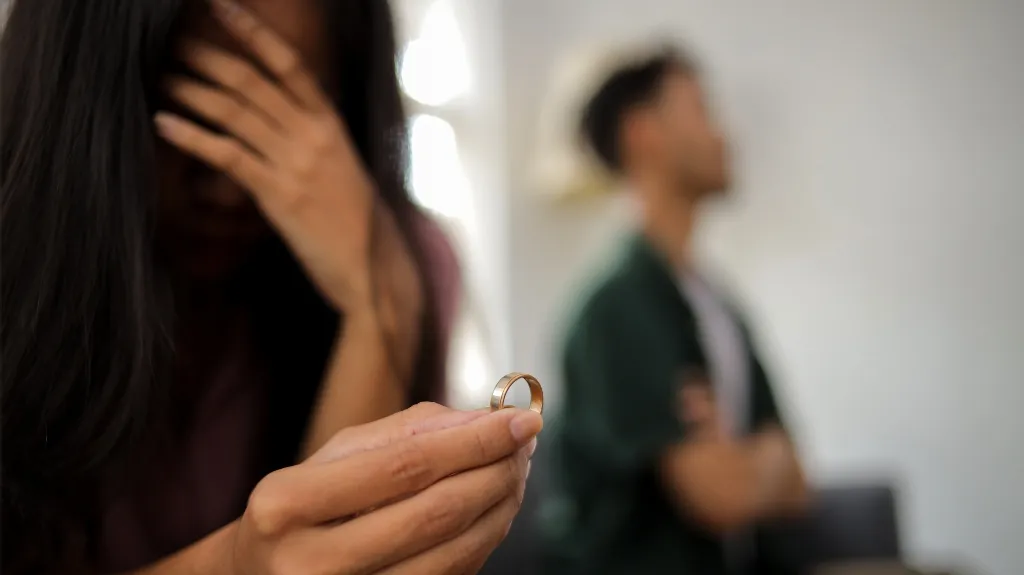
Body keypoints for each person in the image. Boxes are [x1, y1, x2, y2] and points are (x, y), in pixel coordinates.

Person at [0, 0, 542, 573]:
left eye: (279, 119)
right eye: (188, 105)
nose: (232, 183)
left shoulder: (410, 258)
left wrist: (381, 302)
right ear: (74, 96)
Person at [539, 45, 809, 574]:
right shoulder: (616, 310)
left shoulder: (718, 303)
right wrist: (761, 459)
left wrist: (752, 461)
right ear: (644, 132)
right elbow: (721, 497)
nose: (725, 136)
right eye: (703, 111)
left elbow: (800, 480)